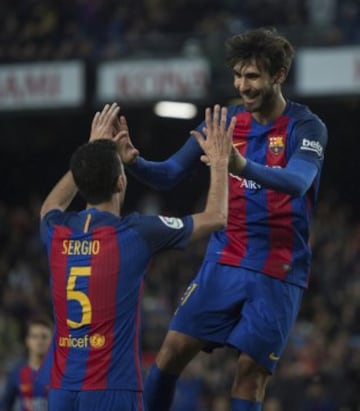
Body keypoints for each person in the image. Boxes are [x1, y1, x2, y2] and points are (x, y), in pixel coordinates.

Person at [118, 28, 328, 411]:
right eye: (238, 75)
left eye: (252, 77)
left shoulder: (306, 127)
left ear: (278, 76)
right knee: (170, 354)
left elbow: (298, 182)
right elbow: (168, 174)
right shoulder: (224, 124)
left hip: (278, 268)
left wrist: (240, 164)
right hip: (225, 256)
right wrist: (134, 162)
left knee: (250, 375)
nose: (242, 85)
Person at [37, 102, 235, 411]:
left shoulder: (56, 232)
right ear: (120, 181)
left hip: (61, 391)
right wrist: (221, 163)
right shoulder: (136, 233)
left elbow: (50, 205)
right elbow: (216, 217)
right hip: (113, 391)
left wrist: (94, 151)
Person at [0, 317, 52, 411]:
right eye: (35, 337)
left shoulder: (61, 372)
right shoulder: (16, 373)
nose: (39, 341)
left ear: (51, 341)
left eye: (44, 337)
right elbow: (5, 405)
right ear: (27, 340)